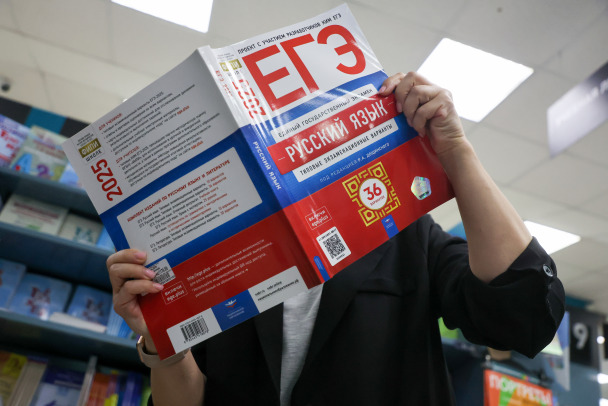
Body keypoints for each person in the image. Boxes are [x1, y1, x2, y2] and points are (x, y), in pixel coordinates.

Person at [107, 72, 565, 406]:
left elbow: (519, 315)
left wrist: (457, 151)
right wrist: (163, 341)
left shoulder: (408, 235)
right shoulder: (216, 254)